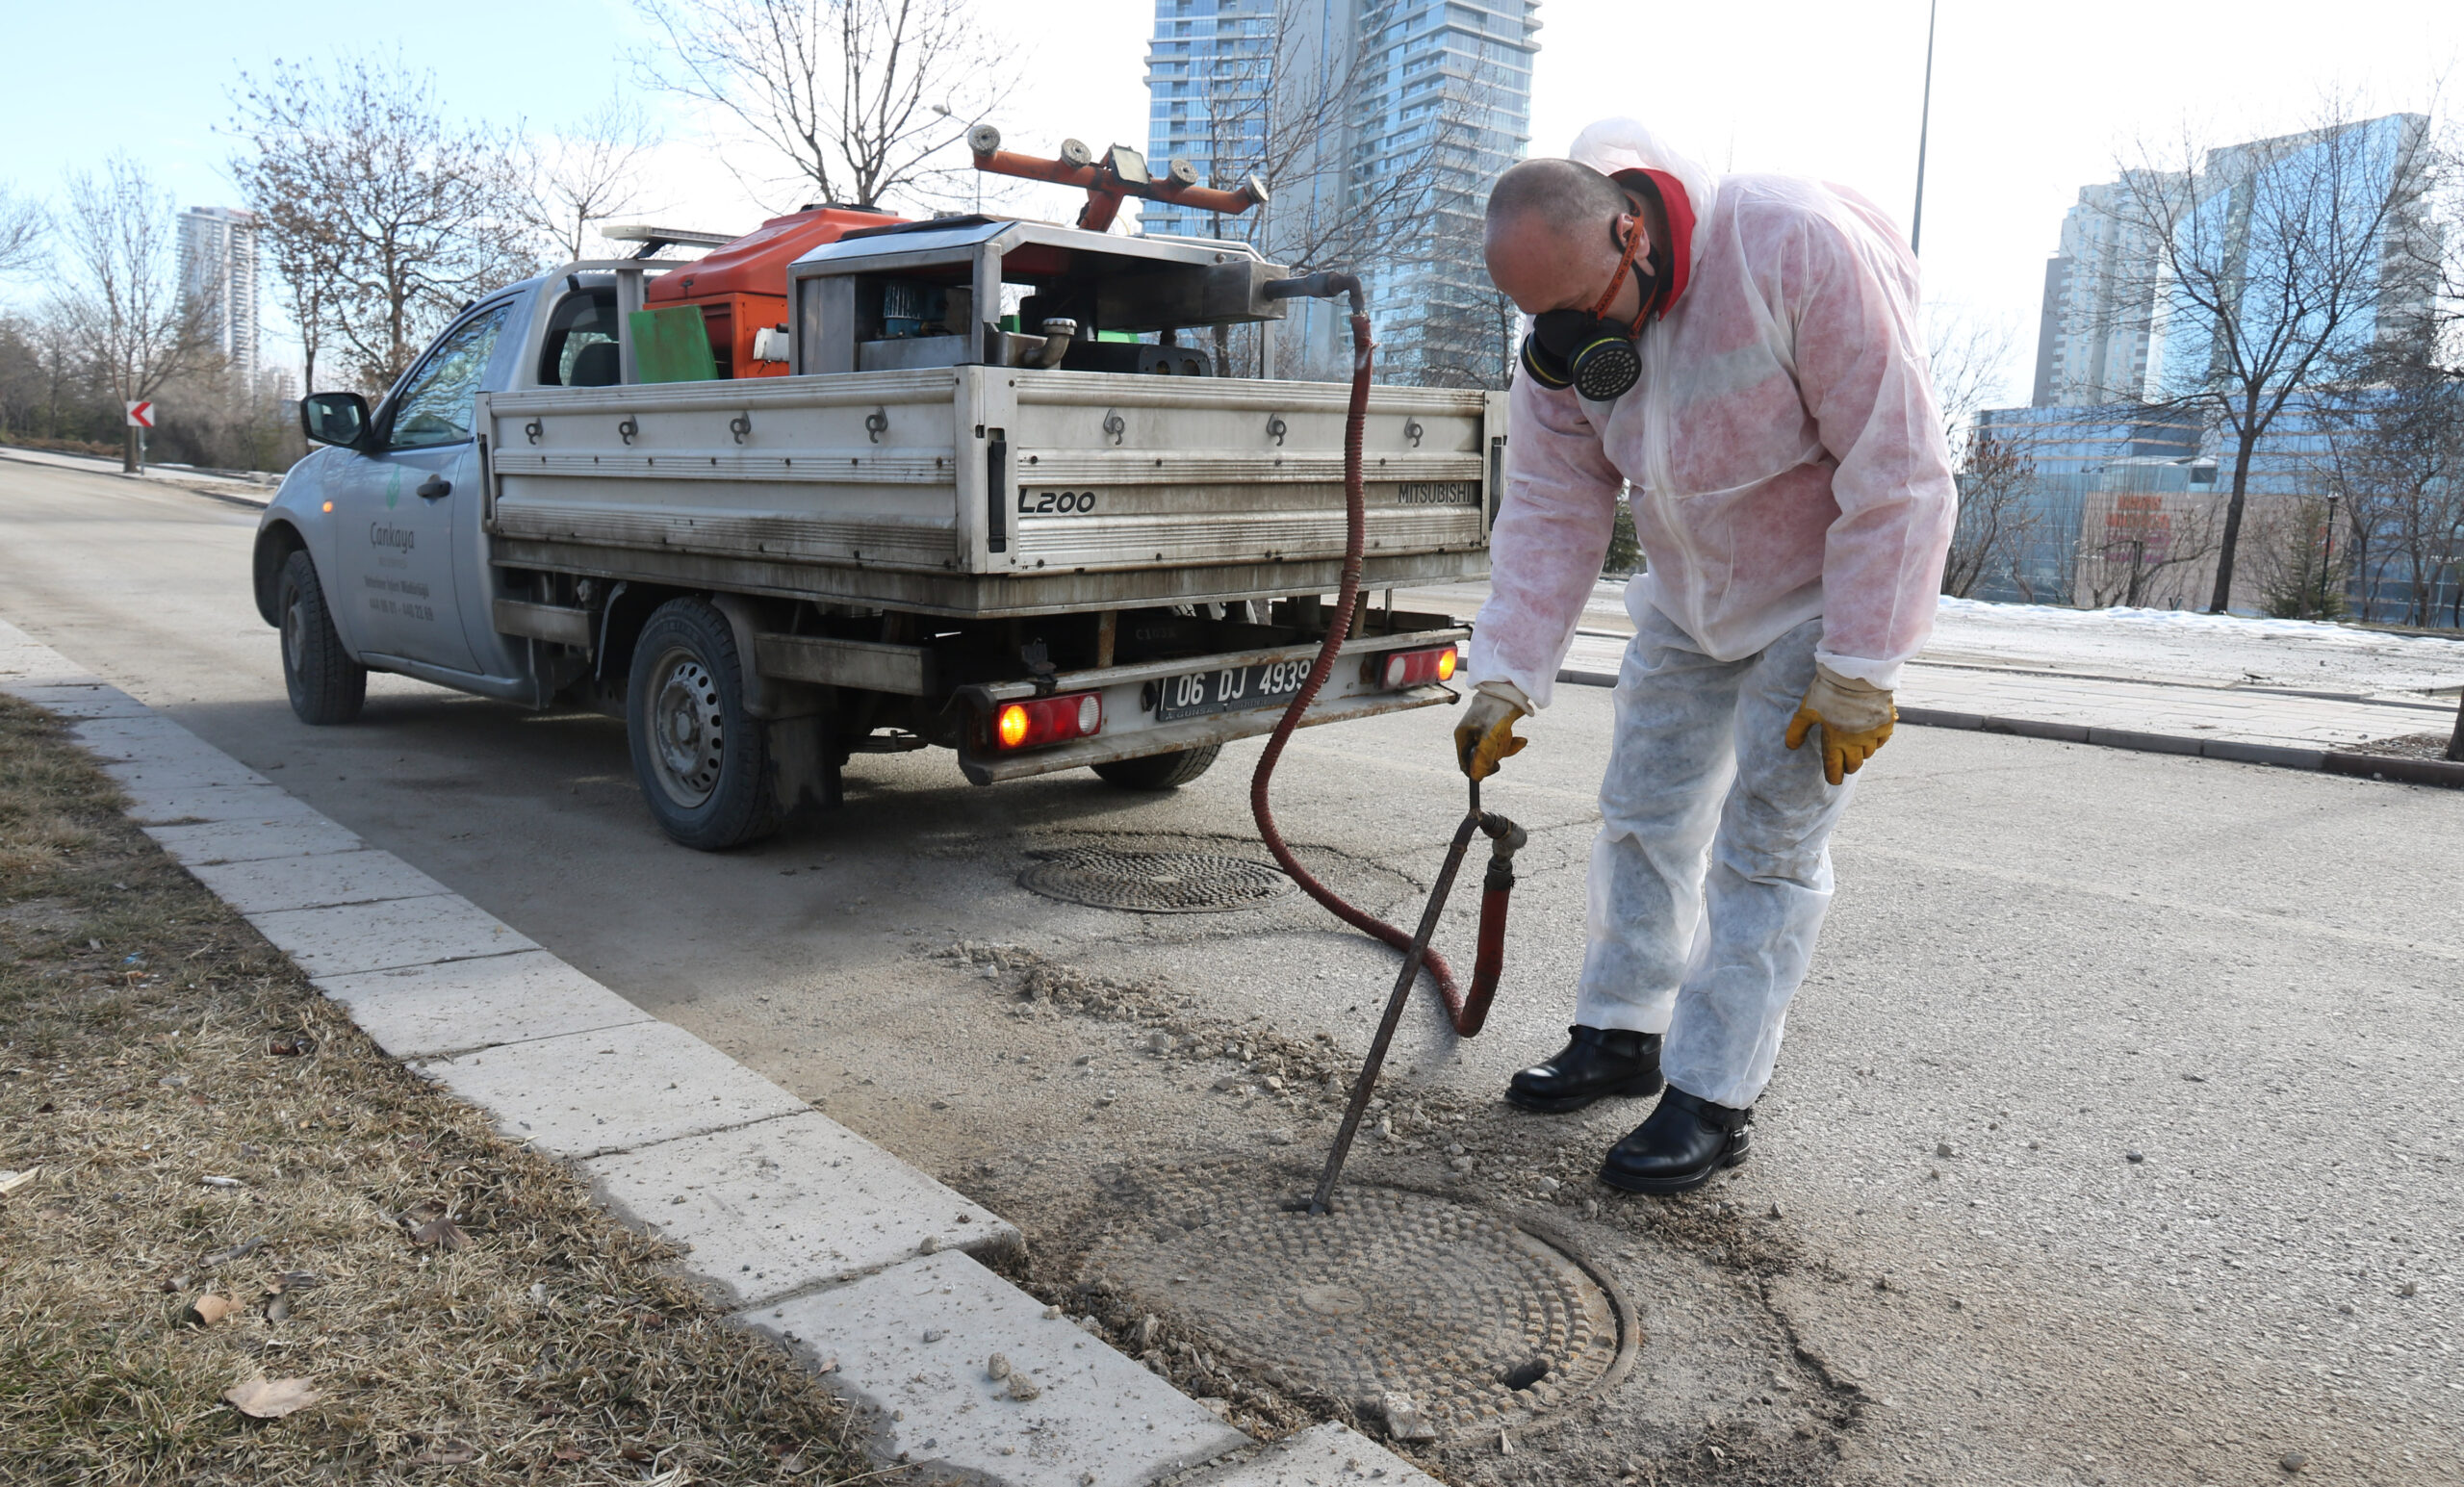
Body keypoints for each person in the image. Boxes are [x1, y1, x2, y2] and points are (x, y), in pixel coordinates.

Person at [1456, 119, 1956, 1194]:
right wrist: (1504, 665)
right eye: (1536, 318)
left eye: (1573, 311)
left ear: (1629, 235)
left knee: (1763, 850)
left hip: (1817, 598)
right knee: (1641, 813)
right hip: (1687, 599)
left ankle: (1713, 1094)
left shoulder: (1788, 245)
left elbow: (1901, 466)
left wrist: (1861, 663)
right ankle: (1622, 1030)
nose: (1561, 342)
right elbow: (1551, 504)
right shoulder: (1564, 337)